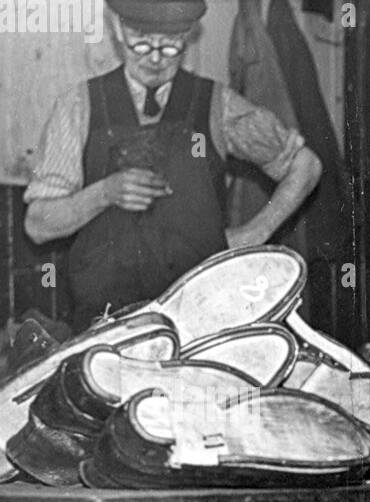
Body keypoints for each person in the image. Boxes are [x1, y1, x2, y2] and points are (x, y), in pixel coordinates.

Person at [24, 0, 322, 329]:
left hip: (202, 320)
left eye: (170, 45)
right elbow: (38, 226)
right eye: (141, 41)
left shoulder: (217, 105)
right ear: (118, 30)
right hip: (105, 325)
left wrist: (257, 231)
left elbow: (306, 165)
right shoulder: (77, 105)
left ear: (189, 35)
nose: (154, 58)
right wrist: (105, 193)